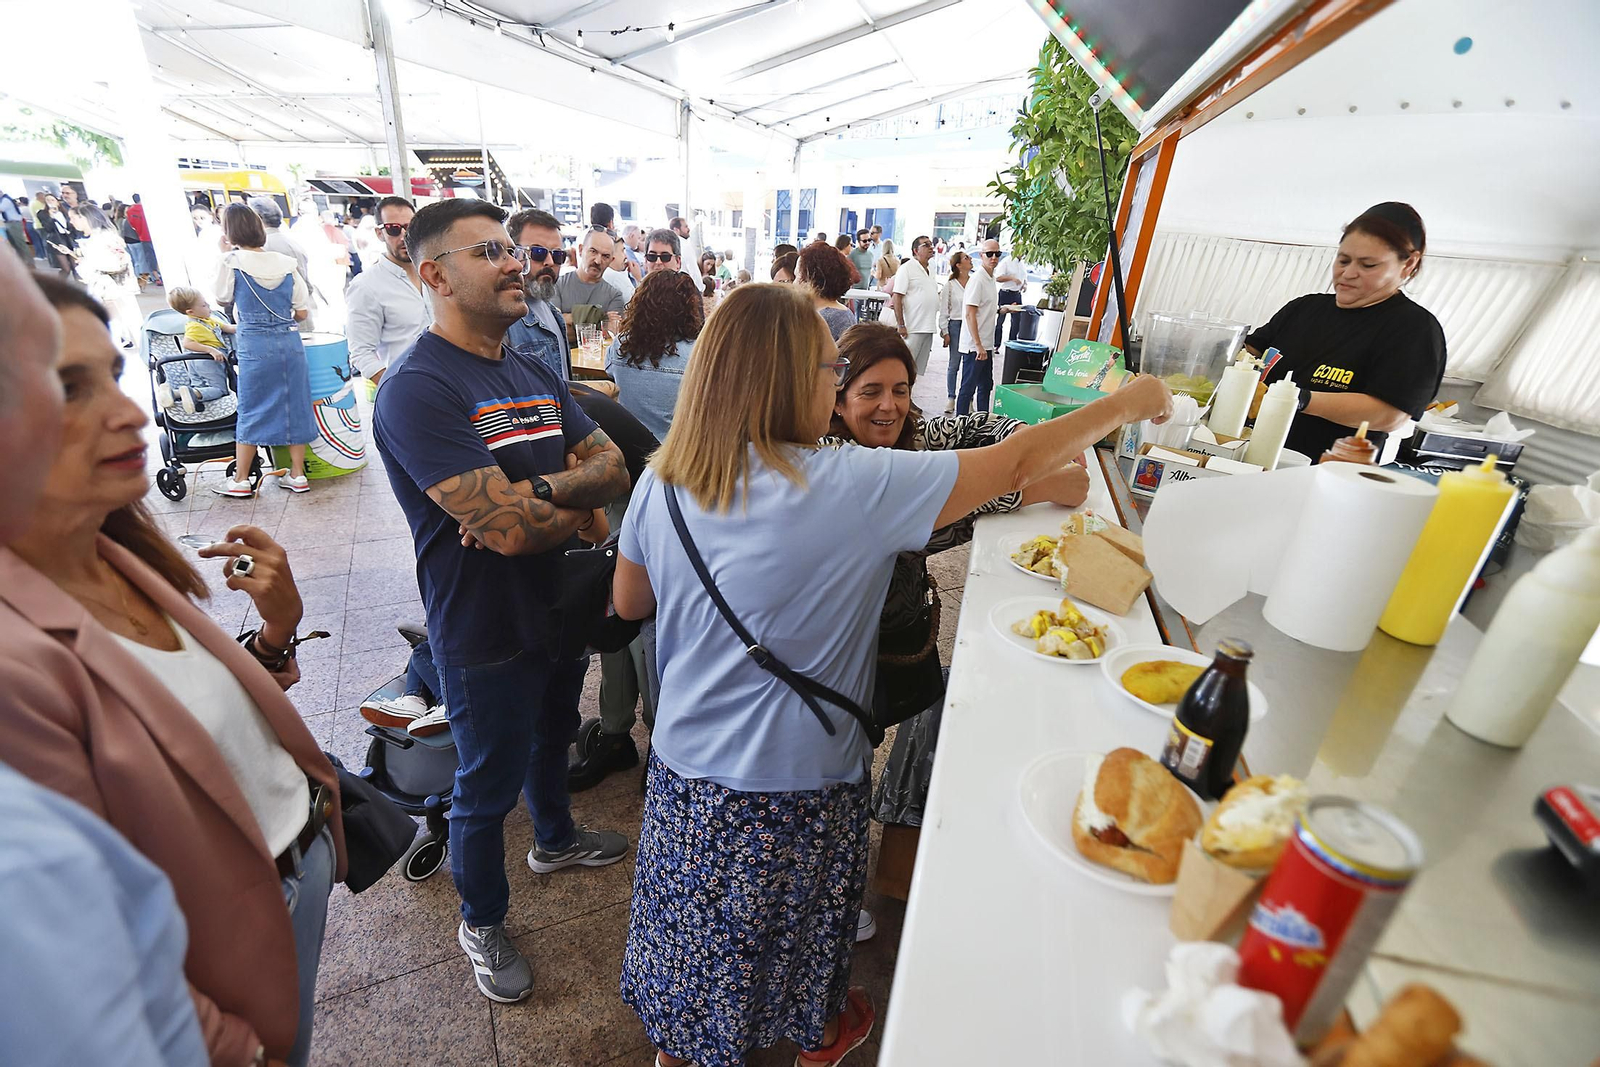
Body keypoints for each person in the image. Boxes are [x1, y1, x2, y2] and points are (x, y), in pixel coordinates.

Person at [610, 284, 1172, 1067]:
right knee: (799, 926)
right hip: (797, 780)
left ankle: (681, 1048)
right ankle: (816, 1033)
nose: (839, 382)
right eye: (831, 368)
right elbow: (1017, 460)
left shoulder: (664, 476)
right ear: (788, 379)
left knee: (698, 928)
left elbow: (630, 597)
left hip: (682, 764)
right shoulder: (850, 484)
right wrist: (1134, 398)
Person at [1, 271, 347, 1067]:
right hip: (219, 955)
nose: (128, 413)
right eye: (67, 388)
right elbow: (85, 942)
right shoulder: (18, 660)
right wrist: (229, 1049)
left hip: (296, 873)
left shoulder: (113, 552)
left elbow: (197, 728)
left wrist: (278, 627)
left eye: (112, 377)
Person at [371, 198, 632, 1005]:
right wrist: (553, 509)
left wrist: (535, 493)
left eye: (510, 249)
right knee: (483, 787)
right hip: (480, 625)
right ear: (434, 275)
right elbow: (505, 532)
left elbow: (612, 463)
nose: (516, 262)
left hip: (557, 605)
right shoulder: (416, 390)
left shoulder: (529, 368)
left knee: (555, 731)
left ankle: (554, 838)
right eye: (490, 251)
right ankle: (480, 918)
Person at [1243, 201, 1447, 461]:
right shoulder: (1304, 308)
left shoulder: (1414, 329)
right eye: (1343, 260)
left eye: (1368, 265)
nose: (1348, 273)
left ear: (1408, 265)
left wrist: (1295, 398)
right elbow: (1250, 351)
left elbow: (1390, 415)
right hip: (1247, 452)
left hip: (1322, 468)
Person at [214, 203, 315, 497]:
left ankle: (242, 479)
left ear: (228, 231)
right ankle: (297, 475)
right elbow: (301, 311)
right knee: (295, 404)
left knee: (251, 407)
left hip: (255, 345)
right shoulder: (285, 262)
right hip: (289, 343)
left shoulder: (230, 261)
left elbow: (221, 297)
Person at [604, 268, 701, 440]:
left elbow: (609, 370)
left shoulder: (622, 344)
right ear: (688, 308)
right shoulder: (696, 353)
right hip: (674, 454)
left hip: (629, 449)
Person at [344, 195, 430, 386]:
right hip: (408, 390)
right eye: (393, 229)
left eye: (410, 228)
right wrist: (395, 389)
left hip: (452, 387)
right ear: (379, 233)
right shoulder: (366, 286)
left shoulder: (434, 273)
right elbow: (361, 352)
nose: (403, 237)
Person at [505, 208, 573, 381]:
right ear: (513, 253)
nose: (549, 262)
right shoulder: (503, 320)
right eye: (538, 252)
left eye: (558, 255)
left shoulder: (553, 312)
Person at [66, 204, 142, 348]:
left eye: (74, 218)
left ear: (86, 218)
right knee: (123, 322)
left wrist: (85, 266)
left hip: (110, 289)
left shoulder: (100, 239)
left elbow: (109, 265)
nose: (71, 221)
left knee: (121, 322)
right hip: (112, 288)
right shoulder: (103, 236)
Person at [163, 286, 235, 414]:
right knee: (219, 389)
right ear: (190, 312)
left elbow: (229, 328)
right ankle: (193, 393)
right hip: (207, 361)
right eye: (203, 305)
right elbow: (187, 343)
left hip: (194, 362)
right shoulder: (194, 326)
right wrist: (210, 350)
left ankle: (175, 394)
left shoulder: (209, 320)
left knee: (199, 386)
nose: (208, 306)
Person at [248, 197, 313, 326]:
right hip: (301, 313)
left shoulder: (261, 248)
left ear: (257, 218)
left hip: (282, 320)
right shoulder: (292, 242)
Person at [556, 227, 628, 338]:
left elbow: (611, 334)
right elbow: (554, 331)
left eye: (605, 256)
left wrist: (569, 318)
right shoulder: (558, 285)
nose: (598, 261)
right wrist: (599, 318)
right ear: (580, 250)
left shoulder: (614, 296)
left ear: (611, 260)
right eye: (593, 251)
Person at [959, 238, 1002, 415]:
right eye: (989, 254)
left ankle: (982, 423)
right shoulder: (978, 279)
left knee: (986, 386)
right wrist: (977, 345)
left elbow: (985, 308)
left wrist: (1004, 309)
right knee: (968, 387)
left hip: (987, 344)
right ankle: (959, 426)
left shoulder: (990, 278)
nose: (993, 258)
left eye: (997, 254)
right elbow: (970, 314)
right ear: (981, 255)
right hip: (975, 346)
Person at [892, 235, 939, 375]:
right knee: (905, 368)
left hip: (928, 327)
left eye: (931, 244)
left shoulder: (931, 268)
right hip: (912, 327)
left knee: (916, 370)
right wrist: (901, 324)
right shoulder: (907, 268)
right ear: (916, 250)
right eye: (926, 245)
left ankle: (908, 395)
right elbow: (897, 297)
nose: (931, 247)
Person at [797, 242, 856, 341]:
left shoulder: (825, 318)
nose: (794, 283)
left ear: (810, 279)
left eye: (797, 276)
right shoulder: (841, 313)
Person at [37, 193, 77, 276]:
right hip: (57, 240)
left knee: (75, 266)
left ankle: (80, 285)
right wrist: (50, 217)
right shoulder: (42, 213)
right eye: (48, 200)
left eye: (52, 200)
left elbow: (71, 225)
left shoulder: (65, 211)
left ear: (58, 202)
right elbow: (48, 228)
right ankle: (61, 285)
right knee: (66, 268)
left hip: (69, 239)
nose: (50, 202)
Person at [994, 247, 1027, 345]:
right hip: (1005, 293)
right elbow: (998, 278)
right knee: (1000, 320)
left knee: (1016, 321)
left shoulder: (1022, 263)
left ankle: (1012, 343)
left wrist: (1025, 284)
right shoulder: (1006, 262)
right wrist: (1012, 278)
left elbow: (1024, 277)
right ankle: (996, 344)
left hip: (1016, 294)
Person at [125, 193, 157, 285]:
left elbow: (133, 225)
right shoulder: (148, 208)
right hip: (152, 236)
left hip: (142, 236)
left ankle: (149, 278)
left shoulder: (130, 211)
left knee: (144, 259)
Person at [670, 216, 702, 285]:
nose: (689, 229)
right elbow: (693, 271)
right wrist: (700, 289)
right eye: (686, 227)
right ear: (676, 230)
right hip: (686, 287)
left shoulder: (669, 245)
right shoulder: (684, 246)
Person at [0, 188, 28, 259]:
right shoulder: (3, 200)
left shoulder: (5, 200)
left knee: (20, 243)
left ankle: (28, 262)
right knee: (14, 244)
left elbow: (1, 209)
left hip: (14, 223)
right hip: (9, 223)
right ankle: (22, 260)